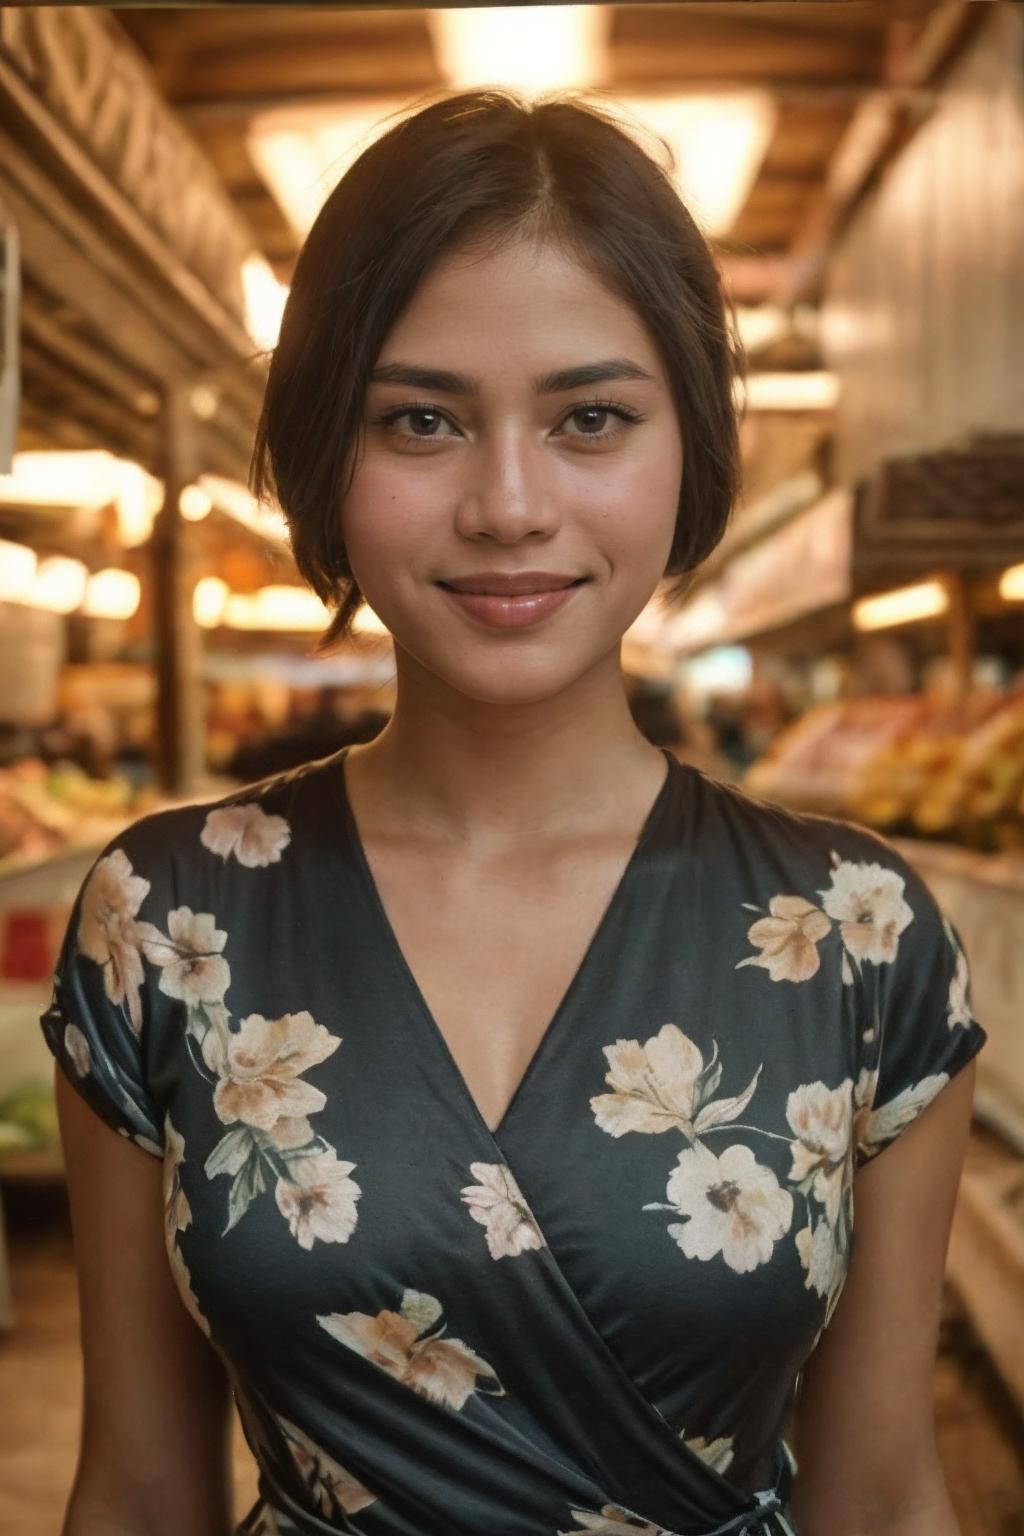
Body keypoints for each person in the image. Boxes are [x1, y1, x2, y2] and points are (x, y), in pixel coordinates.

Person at [41, 89, 987, 1536]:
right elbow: (135, 1491)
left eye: (590, 418)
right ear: (326, 451)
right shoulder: (166, 921)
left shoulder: (861, 937)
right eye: (420, 420)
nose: (507, 503)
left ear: (691, 446)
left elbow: (886, 1494)